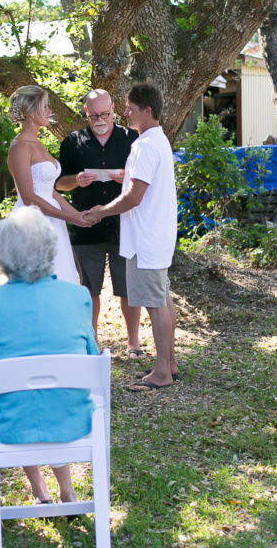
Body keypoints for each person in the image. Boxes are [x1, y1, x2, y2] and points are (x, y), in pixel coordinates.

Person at [0, 207, 99, 505]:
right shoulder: (78, 296)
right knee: (50, 391)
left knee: (16, 391)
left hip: (9, 422)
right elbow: (91, 358)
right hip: (72, 417)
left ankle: (41, 492)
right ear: (49, 250)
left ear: (1, 254)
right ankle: (66, 491)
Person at [85, 82, 178, 391]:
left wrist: (100, 211)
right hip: (156, 235)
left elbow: (134, 197)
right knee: (162, 298)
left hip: (146, 237)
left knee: (155, 304)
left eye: (129, 108)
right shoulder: (156, 141)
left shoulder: (146, 145)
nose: (124, 113)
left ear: (146, 111)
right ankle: (169, 363)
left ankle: (162, 371)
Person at [56, 89, 142, 355]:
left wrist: (126, 177)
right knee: (88, 288)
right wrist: (76, 180)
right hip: (86, 225)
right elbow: (58, 183)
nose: (100, 119)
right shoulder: (72, 142)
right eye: (94, 115)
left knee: (127, 288)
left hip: (123, 225)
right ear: (86, 113)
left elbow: (144, 179)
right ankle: (90, 343)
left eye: (105, 114)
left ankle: (133, 343)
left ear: (114, 109)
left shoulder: (131, 138)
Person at [6, 85, 89, 284]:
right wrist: (68, 216)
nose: (49, 111)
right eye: (44, 107)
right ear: (31, 113)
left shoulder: (37, 143)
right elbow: (29, 197)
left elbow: (49, 191)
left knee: (61, 277)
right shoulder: (19, 147)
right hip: (32, 221)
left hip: (53, 220)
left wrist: (76, 215)